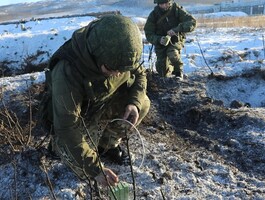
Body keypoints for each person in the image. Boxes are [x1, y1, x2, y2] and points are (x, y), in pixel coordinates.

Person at [40, 14, 150, 187]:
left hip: (101, 103)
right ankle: (57, 147)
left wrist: (133, 102)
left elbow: (140, 74)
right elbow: (67, 126)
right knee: (80, 171)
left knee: (143, 104)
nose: (118, 74)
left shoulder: (121, 51)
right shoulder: (68, 70)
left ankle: (106, 145)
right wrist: (95, 169)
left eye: (122, 70)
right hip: (76, 118)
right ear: (96, 56)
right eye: (112, 69)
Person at [144, 0, 196, 80]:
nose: (164, 6)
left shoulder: (176, 9)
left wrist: (176, 29)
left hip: (175, 40)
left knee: (172, 53)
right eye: (161, 4)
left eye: (166, 3)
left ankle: (178, 71)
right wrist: (158, 39)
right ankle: (170, 66)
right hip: (161, 43)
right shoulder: (154, 14)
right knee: (162, 72)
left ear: (170, 2)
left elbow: (192, 22)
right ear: (158, 4)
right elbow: (149, 33)